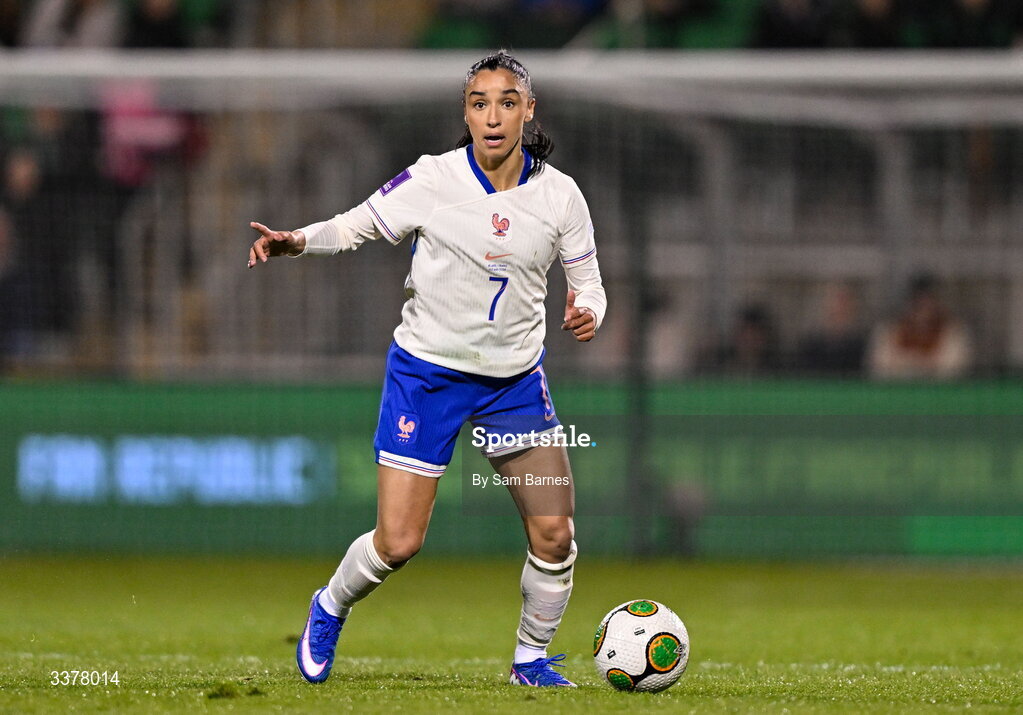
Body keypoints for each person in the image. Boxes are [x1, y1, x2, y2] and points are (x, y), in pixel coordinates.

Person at [246, 51, 606, 688]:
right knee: (399, 543)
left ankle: (530, 660)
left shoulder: (561, 195)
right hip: (428, 375)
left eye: (505, 101)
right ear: (464, 112)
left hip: (513, 383)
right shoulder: (432, 179)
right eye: (478, 102)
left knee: (555, 533)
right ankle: (329, 605)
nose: (492, 116)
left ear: (529, 110)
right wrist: (296, 240)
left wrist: (589, 310)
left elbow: (589, 285)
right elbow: (355, 225)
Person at [867, 274, 972, 380]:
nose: (924, 309)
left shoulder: (953, 332)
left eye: (929, 302)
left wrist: (908, 362)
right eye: (918, 303)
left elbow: (954, 369)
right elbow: (880, 367)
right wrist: (922, 362)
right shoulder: (889, 331)